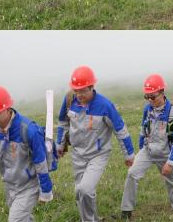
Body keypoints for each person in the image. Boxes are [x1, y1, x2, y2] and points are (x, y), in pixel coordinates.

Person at [56, 66, 134, 222]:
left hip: (98, 155)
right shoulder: (70, 100)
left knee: (84, 189)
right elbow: (63, 122)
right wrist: (60, 144)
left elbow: (120, 130)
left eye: (83, 91)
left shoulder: (104, 105)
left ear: (92, 87)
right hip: (78, 154)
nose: (79, 95)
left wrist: (129, 154)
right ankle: (90, 219)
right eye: (76, 90)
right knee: (82, 193)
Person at [0, 86, 54, 222]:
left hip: (29, 185)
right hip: (9, 184)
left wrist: (46, 191)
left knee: (15, 220)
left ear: (8, 109)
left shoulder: (29, 130)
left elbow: (41, 162)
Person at [120, 74, 173, 219]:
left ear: (162, 92)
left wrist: (170, 162)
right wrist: (141, 148)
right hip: (148, 151)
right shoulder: (147, 109)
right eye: (147, 96)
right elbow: (143, 129)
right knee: (132, 173)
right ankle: (126, 210)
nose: (150, 100)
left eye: (153, 97)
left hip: (166, 154)